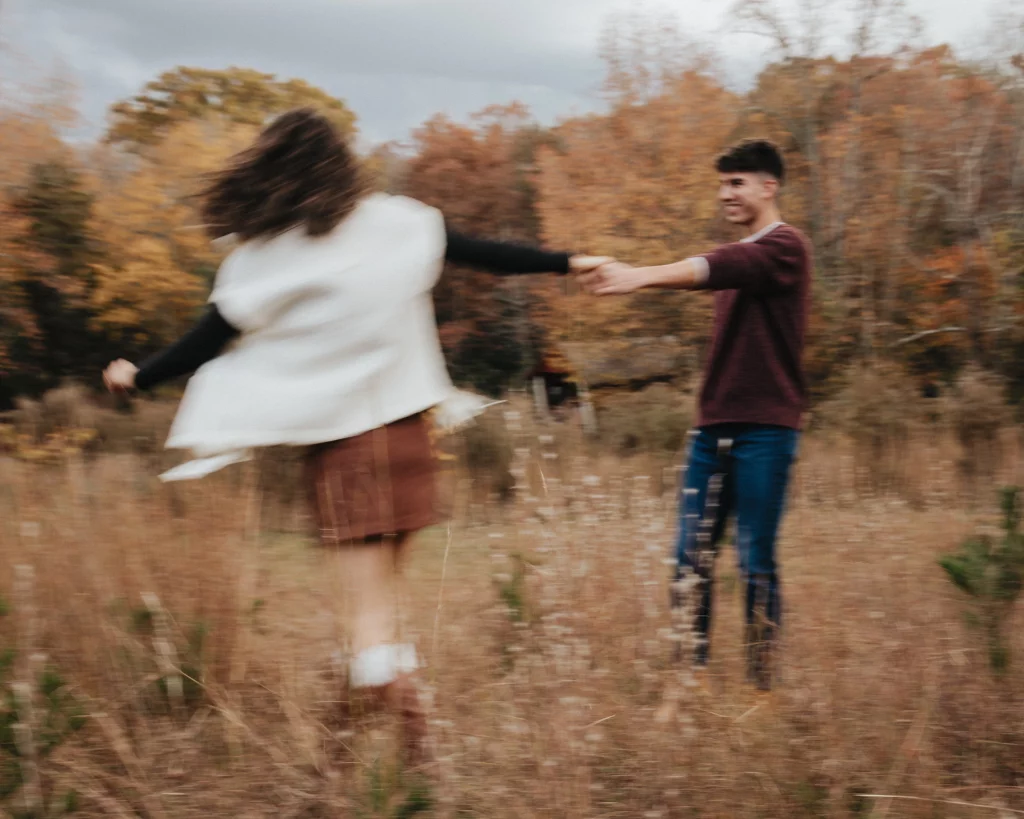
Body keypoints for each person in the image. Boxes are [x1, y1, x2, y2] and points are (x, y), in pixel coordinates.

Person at [102, 107, 611, 765]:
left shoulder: (263, 257)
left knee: (367, 619)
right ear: (341, 163)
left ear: (270, 168)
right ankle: (337, 758)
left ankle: (420, 749)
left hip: (347, 455)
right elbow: (487, 253)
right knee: (378, 610)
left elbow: (204, 342)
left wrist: (135, 376)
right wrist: (571, 261)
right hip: (411, 441)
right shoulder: (399, 224)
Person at [579, 139, 812, 691]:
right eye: (722, 183)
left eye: (736, 182)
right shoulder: (738, 259)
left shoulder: (785, 247)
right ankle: (689, 686)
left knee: (755, 557)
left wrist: (637, 276)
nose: (724, 193)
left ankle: (761, 693)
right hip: (711, 431)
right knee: (689, 558)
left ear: (767, 187)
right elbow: (722, 266)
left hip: (766, 431)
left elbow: (723, 264)